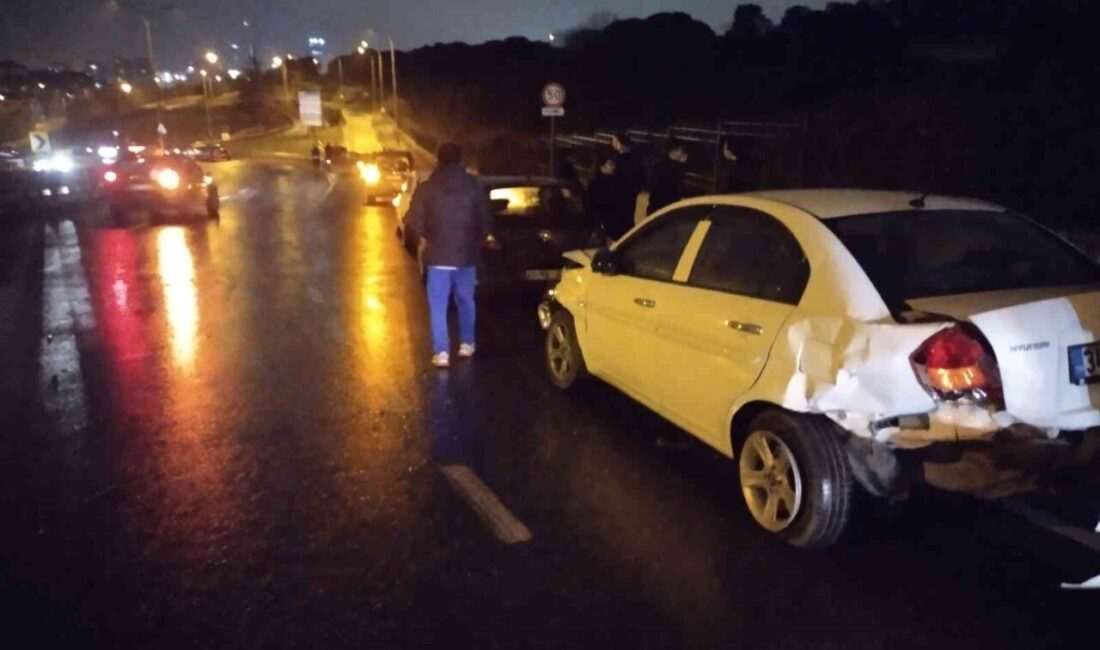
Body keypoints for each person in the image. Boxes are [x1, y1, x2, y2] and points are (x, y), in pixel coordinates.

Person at [404, 142, 494, 369]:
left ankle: (442, 352)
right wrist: (476, 239)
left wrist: (427, 235)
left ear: (439, 160)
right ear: (460, 160)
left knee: (438, 306)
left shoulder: (427, 187)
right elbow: (486, 220)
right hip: (466, 258)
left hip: (438, 258)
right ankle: (467, 344)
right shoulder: (474, 186)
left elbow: (412, 220)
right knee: (466, 301)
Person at [587, 157, 633, 242]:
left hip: (618, 223)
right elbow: (593, 206)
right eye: (610, 164)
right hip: (605, 225)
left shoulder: (619, 181)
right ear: (602, 167)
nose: (613, 167)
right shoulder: (596, 184)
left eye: (613, 164)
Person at [647, 138, 689, 213]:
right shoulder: (670, 166)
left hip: (659, 205)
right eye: (680, 151)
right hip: (663, 207)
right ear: (674, 151)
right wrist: (682, 165)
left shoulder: (659, 163)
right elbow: (676, 183)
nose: (682, 153)